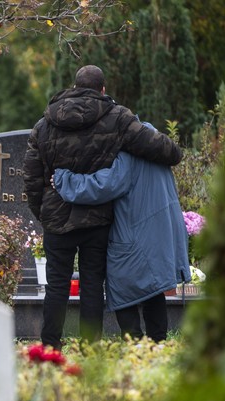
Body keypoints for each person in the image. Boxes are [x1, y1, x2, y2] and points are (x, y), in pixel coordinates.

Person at [22, 65, 182, 348]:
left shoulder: (43, 125)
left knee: (56, 286)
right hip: (96, 220)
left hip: (57, 220)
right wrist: (173, 151)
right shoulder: (117, 118)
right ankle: (90, 347)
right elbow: (164, 150)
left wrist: (44, 213)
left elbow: (32, 178)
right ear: (102, 90)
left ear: (73, 87)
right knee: (92, 285)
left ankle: (50, 346)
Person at [52, 132, 190, 341]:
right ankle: (158, 345)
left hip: (136, 231)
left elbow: (103, 186)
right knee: (154, 289)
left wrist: (65, 180)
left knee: (121, 287)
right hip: (160, 230)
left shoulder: (130, 152)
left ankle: (136, 345)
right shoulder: (155, 145)